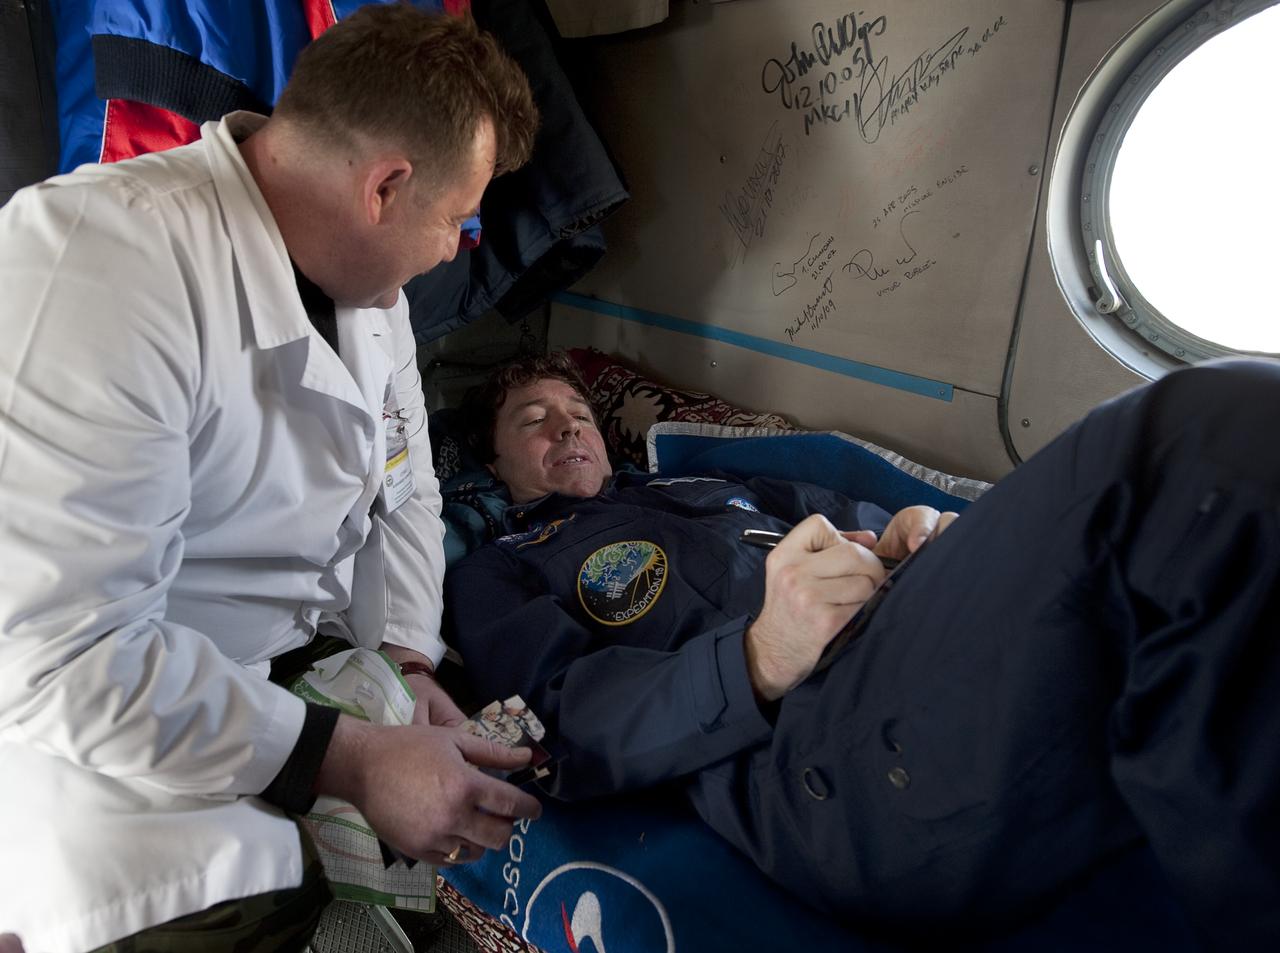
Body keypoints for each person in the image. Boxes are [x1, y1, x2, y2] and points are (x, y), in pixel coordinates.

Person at [0, 7, 543, 952]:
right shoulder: (95, 261)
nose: (463, 245)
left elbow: (405, 491)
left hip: (287, 694)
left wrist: (404, 661)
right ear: (386, 186)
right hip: (117, 778)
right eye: (461, 217)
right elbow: (59, 660)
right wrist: (355, 760)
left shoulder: (368, 297)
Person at [444, 351, 1280, 949]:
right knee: (1211, 425)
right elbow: (554, 724)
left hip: (907, 637)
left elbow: (846, 515)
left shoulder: (693, 482)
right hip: (807, 754)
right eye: (534, 420)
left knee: (1212, 518)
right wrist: (759, 656)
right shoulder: (498, 568)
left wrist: (903, 538)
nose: (568, 428)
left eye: (580, 414)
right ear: (493, 459)